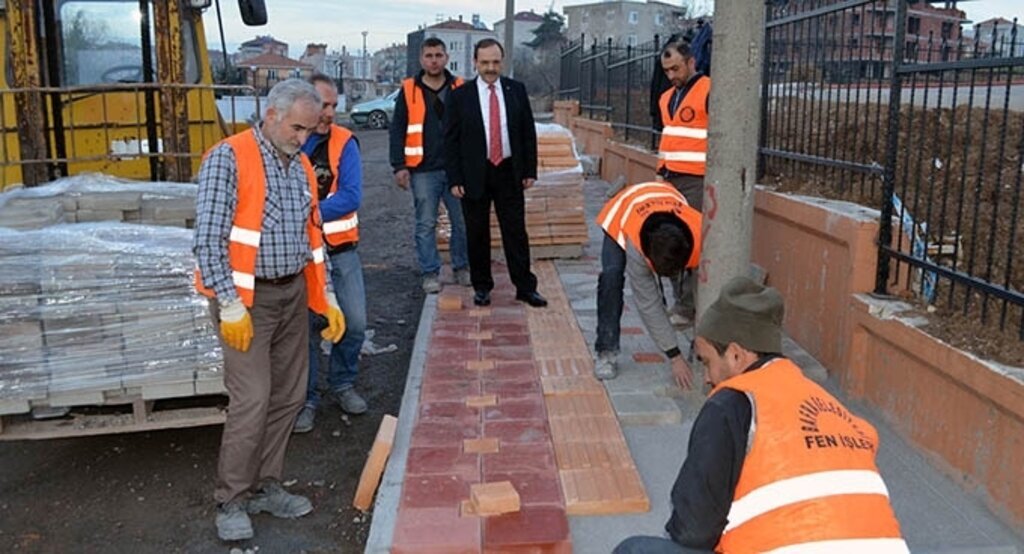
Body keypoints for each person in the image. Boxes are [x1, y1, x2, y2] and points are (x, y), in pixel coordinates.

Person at [613, 277, 909, 554]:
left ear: (736, 355)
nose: (706, 377)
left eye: (706, 362)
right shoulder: (833, 407)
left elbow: (692, 530)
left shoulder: (731, 404)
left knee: (634, 550)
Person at [193, 78, 346, 541]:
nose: (304, 138)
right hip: (248, 303)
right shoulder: (230, 157)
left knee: (288, 397)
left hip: (291, 294)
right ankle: (231, 499)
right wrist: (230, 303)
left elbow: (313, 239)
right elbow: (209, 240)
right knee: (253, 399)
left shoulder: (299, 166)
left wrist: (329, 297)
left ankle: (266, 485)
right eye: (298, 127)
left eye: (310, 129)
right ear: (272, 114)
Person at [443, 38, 547, 308]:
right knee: (477, 233)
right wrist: (454, 178)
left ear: (502, 62)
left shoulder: (516, 90)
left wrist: (529, 170)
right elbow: (450, 140)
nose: (491, 68)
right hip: (474, 174)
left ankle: (525, 287)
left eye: (496, 62)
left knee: (515, 232)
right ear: (475, 63)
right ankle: (482, 287)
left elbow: (527, 134)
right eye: (485, 62)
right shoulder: (459, 96)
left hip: (509, 172)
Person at [292, 74, 369, 433]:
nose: (330, 113)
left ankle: (342, 383)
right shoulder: (293, 141)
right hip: (301, 257)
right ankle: (306, 398)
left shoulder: (344, 143)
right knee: (304, 331)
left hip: (340, 251)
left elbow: (351, 196)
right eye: (324, 105)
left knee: (354, 323)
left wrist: (310, 214)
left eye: (335, 105)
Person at [593, 181, 702, 383]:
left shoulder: (700, 234)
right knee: (612, 277)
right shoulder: (638, 248)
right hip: (622, 213)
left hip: (665, 198)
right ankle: (606, 351)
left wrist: (704, 346)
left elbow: (707, 292)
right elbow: (648, 302)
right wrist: (674, 355)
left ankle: (700, 346)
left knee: (699, 285)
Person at [389, 37, 470, 294]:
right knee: (425, 224)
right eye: (429, 56)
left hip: (456, 169)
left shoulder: (460, 87)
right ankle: (430, 273)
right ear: (421, 59)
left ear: (446, 58)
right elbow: (398, 128)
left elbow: (471, 129)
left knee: (462, 222)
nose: (434, 60)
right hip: (423, 169)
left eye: (438, 55)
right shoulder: (409, 89)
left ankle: (462, 267)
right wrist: (399, 166)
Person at [656, 38, 711, 327]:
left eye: (676, 68)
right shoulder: (667, 98)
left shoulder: (708, 90)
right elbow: (668, 139)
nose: (671, 75)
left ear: (692, 62)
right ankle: (681, 301)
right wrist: (659, 172)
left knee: (693, 243)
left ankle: (687, 307)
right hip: (670, 179)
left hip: (697, 180)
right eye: (666, 70)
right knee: (672, 241)